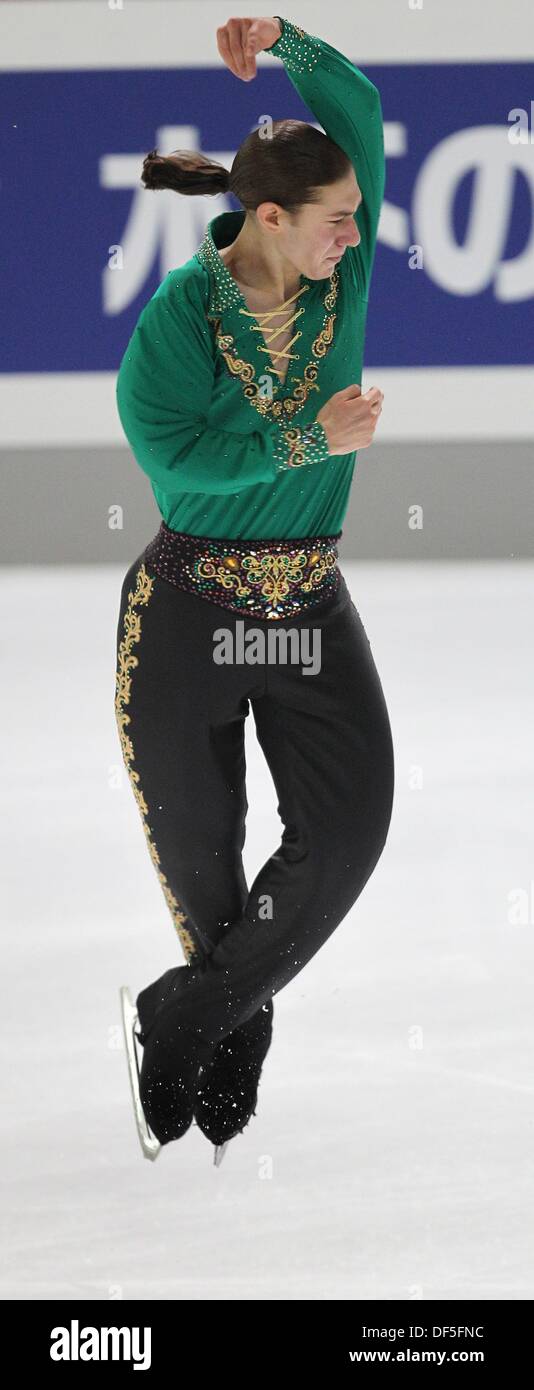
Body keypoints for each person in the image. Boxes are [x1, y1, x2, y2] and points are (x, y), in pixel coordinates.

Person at [114, 14, 394, 1155]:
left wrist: (284, 36)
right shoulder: (182, 317)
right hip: (190, 614)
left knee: (348, 828)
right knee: (205, 858)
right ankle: (237, 1014)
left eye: (359, 216)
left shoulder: (345, 271)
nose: (358, 234)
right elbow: (165, 449)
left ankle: (188, 1012)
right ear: (270, 219)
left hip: (304, 613)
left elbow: (361, 111)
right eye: (337, 221)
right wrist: (303, 446)